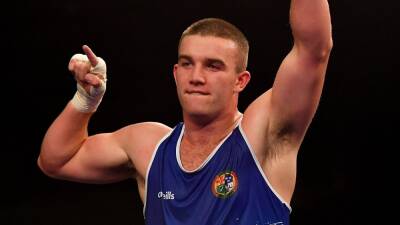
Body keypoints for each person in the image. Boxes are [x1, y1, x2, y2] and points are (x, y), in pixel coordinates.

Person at [38, 0, 333, 224]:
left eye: (213, 66)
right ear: (176, 73)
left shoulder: (262, 135)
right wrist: (85, 100)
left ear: (240, 81)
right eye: (188, 64)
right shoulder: (149, 146)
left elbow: (313, 50)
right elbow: (55, 161)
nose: (196, 76)